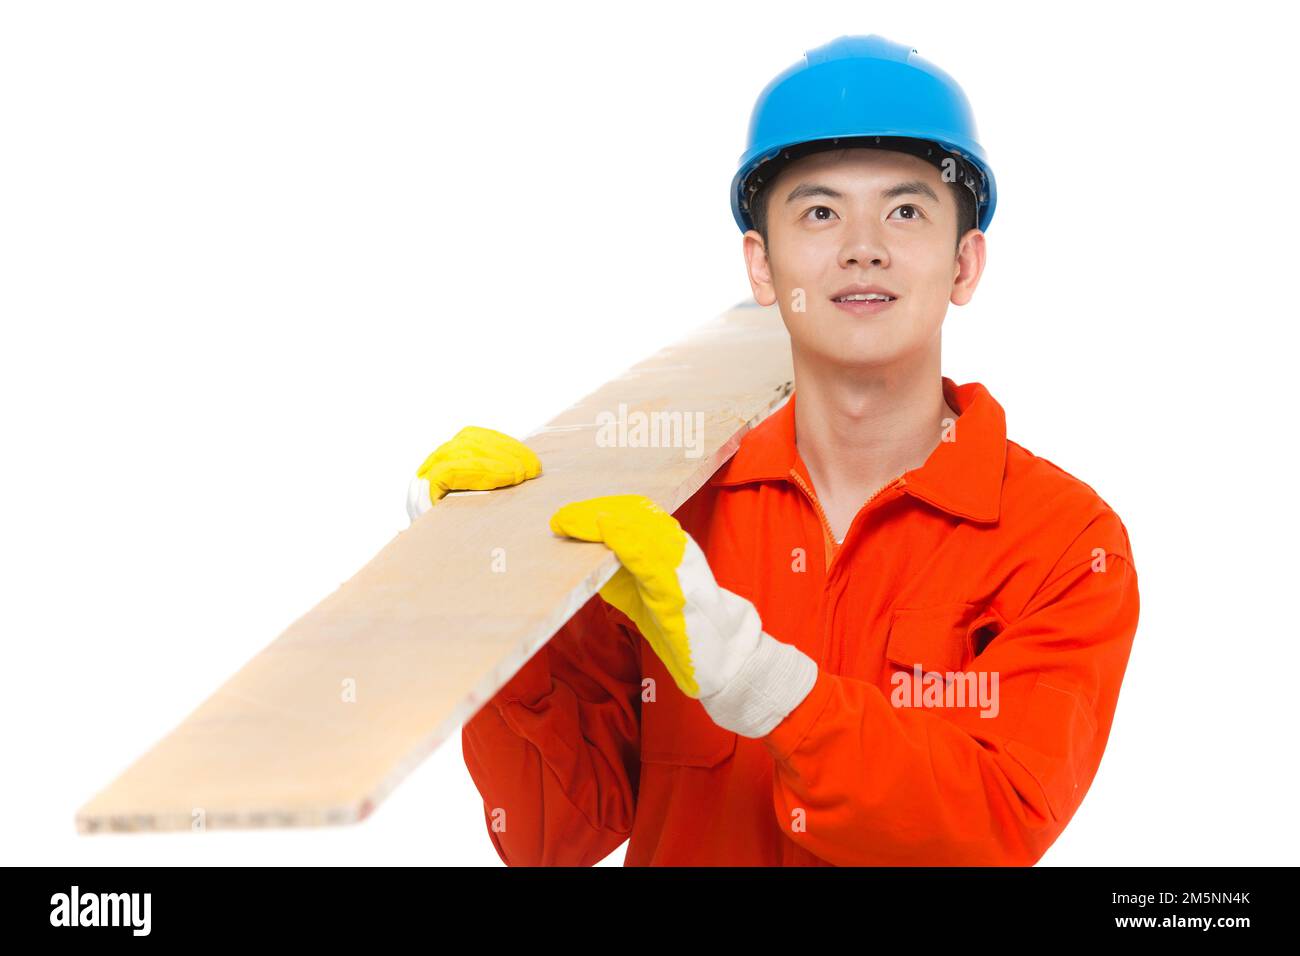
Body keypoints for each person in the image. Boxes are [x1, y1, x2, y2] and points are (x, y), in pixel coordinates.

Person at [414, 34, 1140, 866]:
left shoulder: (1063, 543)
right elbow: (553, 833)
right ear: (762, 265)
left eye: (906, 210)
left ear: (964, 262)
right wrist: (489, 598)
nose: (862, 246)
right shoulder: (664, 505)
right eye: (820, 212)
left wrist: (761, 683)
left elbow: (992, 823)